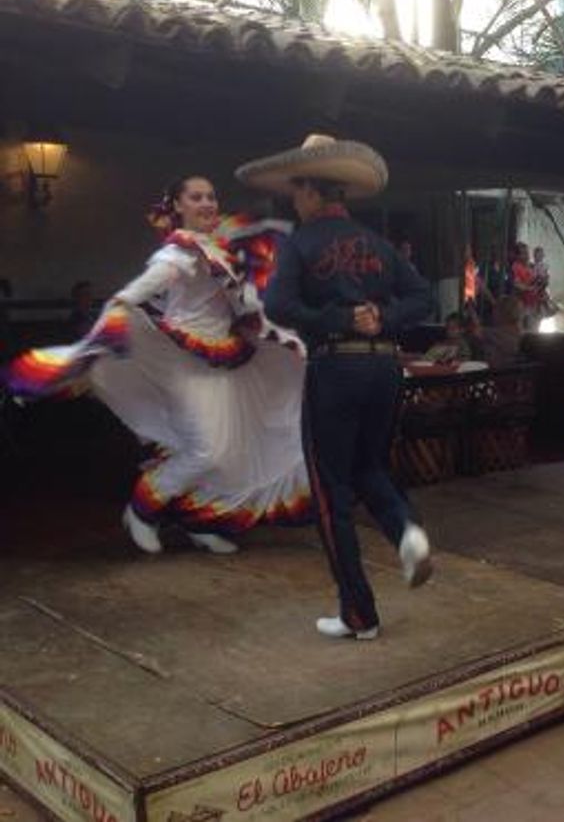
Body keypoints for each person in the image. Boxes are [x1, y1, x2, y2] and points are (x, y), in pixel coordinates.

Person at [5, 176, 312, 554]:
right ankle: (142, 508)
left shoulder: (221, 245)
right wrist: (104, 333)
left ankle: (201, 519)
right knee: (205, 450)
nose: (207, 204)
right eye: (196, 197)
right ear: (178, 206)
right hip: (181, 360)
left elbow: (246, 299)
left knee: (231, 449)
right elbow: (129, 296)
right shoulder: (177, 255)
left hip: (224, 360)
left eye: (211, 197)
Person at [252, 134, 433, 641]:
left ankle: (359, 614)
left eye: (298, 190)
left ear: (312, 192)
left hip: (335, 368)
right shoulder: (377, 244)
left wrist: (332, 317)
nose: (294, 199)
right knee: (369, 467)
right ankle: (407, 535)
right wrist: (385, 316)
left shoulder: (299, 243)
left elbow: (278, 307)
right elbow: (421, 298)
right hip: (384, 369)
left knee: (332, 490)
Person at [480, 295, 526, 368]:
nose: (492, 314)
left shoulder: (491, 334)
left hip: (496, 375)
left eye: (495, 310)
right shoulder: (523, 335)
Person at [511, 241, 542, 331]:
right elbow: (517, 285)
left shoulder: (530, 266)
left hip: (534, 304)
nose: (527, 255)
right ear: (518, 256)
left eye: (527, 252)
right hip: (523, 306)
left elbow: (535, 281)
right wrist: (530, 288)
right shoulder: (516, 267)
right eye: (524, 253)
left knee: (535, 330)